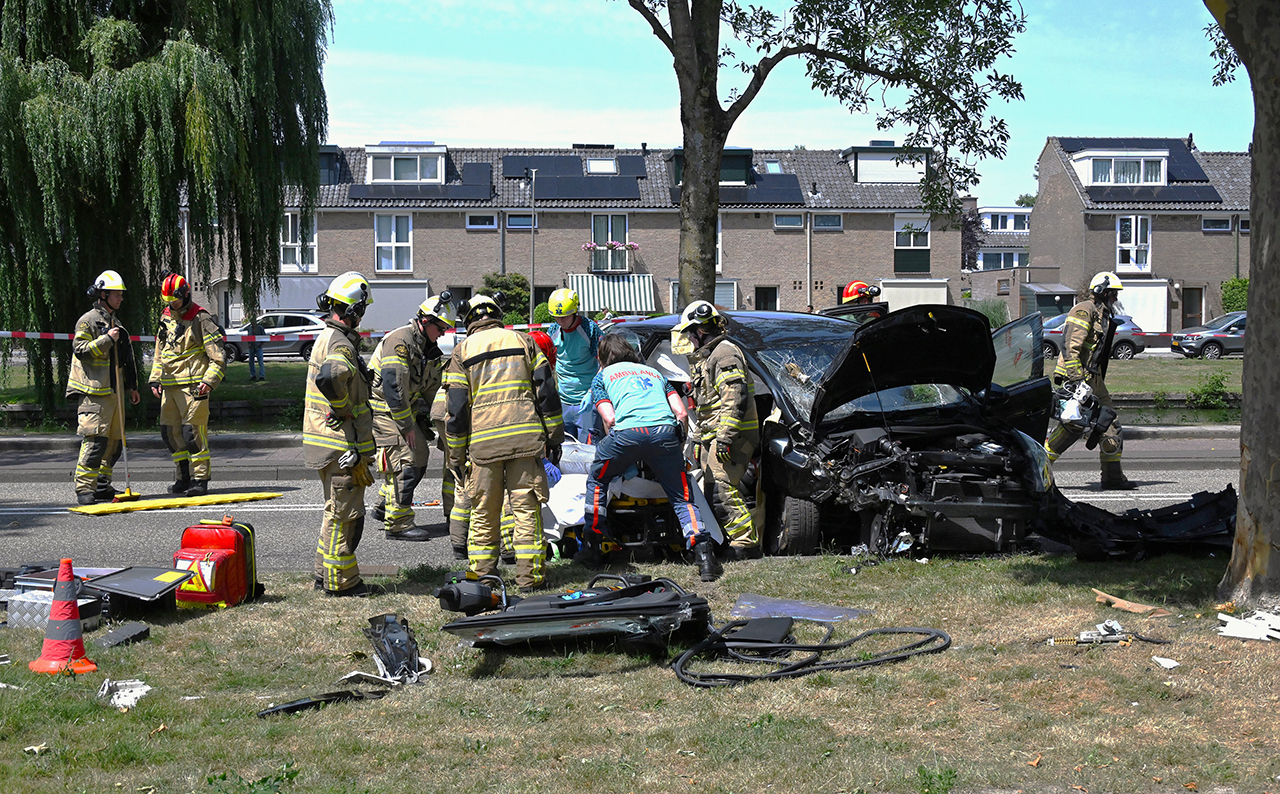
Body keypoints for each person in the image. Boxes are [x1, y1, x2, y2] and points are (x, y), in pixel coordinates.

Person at [445, 294, 563, 593]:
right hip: (525, 440)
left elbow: (457, 410)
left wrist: (456, 455)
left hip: (483, 447)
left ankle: (484, 579)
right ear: (498, 315)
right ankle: (530, 579)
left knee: (484, 514)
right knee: (525, 511)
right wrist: (554, 436)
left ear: (469, 320)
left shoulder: (462, 351)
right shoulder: (524, 342)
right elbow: (546, 391)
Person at [580, 334, 716, 580]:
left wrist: (616, 448)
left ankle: (593, 546)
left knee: (597, 481)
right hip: (665, 434)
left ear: (601, 357)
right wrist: (678, 443)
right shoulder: (655, 374)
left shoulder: (602, 377)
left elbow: (609, 418)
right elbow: (681, 413)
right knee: (681, 497)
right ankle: (703, 552)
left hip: (627, 434)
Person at [305, 271, 380, 597]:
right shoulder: (340, 343)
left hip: (326, 442)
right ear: (353, 310)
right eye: (361, 310)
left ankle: (324, 573)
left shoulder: (328, 336)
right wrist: (343, 407)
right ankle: (342, 582)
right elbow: (331, 376)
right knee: (344, 516)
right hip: (340, 445)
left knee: (333, 510)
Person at [671, 300, 761, 561]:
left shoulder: (724, 353)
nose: (689, 338)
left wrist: (724, 439)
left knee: (722, 488)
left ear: (701, 331)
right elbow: (708, 405)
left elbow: (734, 397)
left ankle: (746, 544)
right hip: (716, 434)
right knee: (713, 488)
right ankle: (729, 538)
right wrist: (700, 438)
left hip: (735, 434)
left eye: (691, 332)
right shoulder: (710, 355)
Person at [367, 294, 455, 541]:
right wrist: (407, 426)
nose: (443, 334)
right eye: (440, 328)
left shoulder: (428, 349)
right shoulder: (400, 341)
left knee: (417, 456)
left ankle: (385, 505)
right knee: (407, 459)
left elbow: (432, 388)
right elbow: (394, 387)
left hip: (402, 411)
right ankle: (398, 524)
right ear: (425, 321)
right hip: (384, 409)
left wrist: (439, 418)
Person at [1045, 271, 1136, 490]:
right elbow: (1070, 347)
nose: (1116, 299)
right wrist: (1077, 381)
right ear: (1101, 292)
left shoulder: (1102, 314)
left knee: (1109, 424)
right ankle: (1038, 468)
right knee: (1072, 428)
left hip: (1093, 380)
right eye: (1113, 294)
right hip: (1077, 378)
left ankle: (1112, 478)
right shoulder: (1084, 311)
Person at [149, 274, 226, 497]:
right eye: (168, 301)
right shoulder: (166, 316)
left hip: (194, 387)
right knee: (170, 433)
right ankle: (183, 477)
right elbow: (159, 352)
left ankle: (200, 480)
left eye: (174, 299)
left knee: (193, 435)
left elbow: (219, 357)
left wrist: (208, 382)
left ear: (185, 295)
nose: (171, 304)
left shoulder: (200, 319)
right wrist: (155, 378)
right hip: (170, 386)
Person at [68, 270, 140, 505]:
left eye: (121, 294)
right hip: (94, 393)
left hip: (114, 392)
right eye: (116, 294)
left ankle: (101, 485)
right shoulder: (87, 320)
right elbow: (80, 350)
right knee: (95, 441)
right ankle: (84, 489)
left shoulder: (115, 322)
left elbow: (125, 358)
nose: (120, 299)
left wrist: (132, 387)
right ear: (103, 294)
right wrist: (107, 339)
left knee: (114, 444)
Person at [546, 288, 601, 442]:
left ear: (575, 312)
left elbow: (604, 362)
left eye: (564, 316)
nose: (560, 321)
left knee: (587, 448)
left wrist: (592, 391)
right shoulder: (553, 330)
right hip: (563, 399)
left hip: (586, 399)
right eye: (557, 317)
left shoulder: (590, 330)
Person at [247, 316, 266, 382]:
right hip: (251, 347)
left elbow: (264, 336)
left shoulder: (260, 328)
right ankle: (253, 375)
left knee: (260, 362)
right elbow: (248, 337)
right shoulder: (249, 328)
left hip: (258, 346)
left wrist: (261, 344)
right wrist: (249, 344)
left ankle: (262, 376)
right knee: (251, 362)